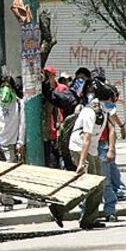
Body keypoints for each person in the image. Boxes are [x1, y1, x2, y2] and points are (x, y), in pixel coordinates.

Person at [49, 79, 115, 230]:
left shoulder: (103, 110)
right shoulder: (90, 112)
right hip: (80, 149)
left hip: (91, 150)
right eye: (112, 99)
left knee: (99, 185)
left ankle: (89, 219)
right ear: (105, 99)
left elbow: (112, 125)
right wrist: (81, 163)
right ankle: (59, 208)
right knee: (89, 185)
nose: (114, 102)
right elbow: (85, 139)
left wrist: (111, 147)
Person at [0, 75, 24, 211]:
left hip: (12, 143)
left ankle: (7, 200)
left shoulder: (19, 103)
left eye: (8, 86)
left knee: (9, 174)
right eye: (2, 86)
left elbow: (22, 123)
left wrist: (20, 142)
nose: (5, 89)